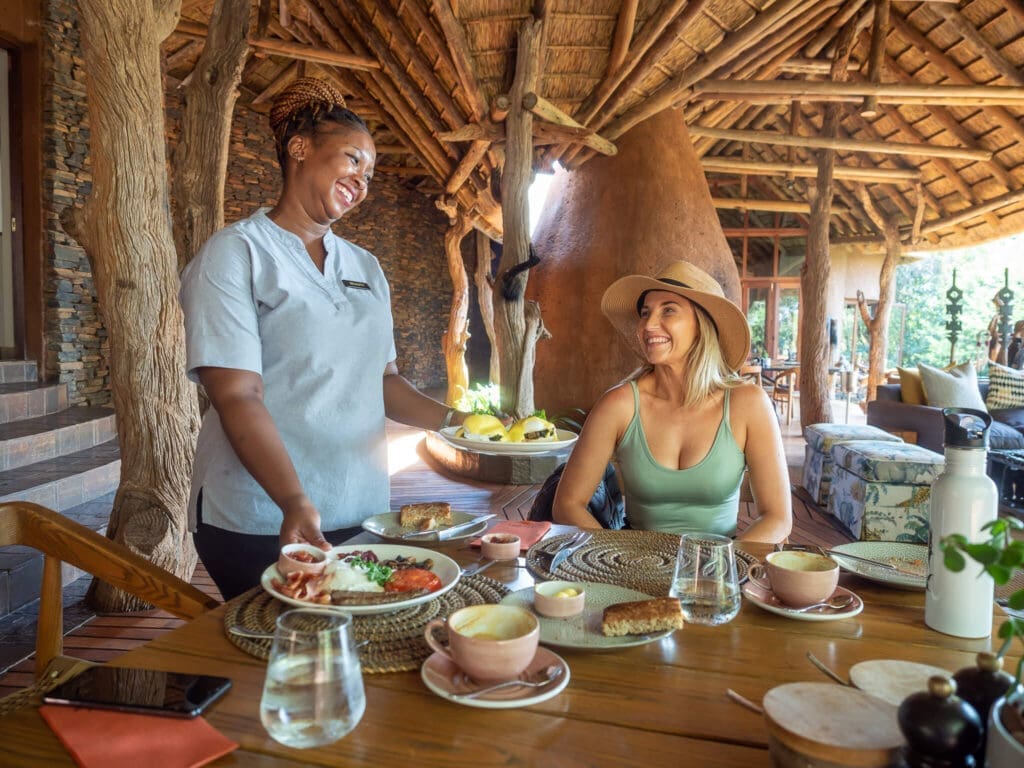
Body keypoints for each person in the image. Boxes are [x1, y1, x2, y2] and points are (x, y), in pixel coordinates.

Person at [179, 78, 468, 599]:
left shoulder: (365, 266)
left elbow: (384, 381)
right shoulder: (237, 253)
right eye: (353, 159)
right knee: (279, 642)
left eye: (371, 174)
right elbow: (237, 395)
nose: (362, 181)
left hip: (362, 510)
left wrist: (460, 425)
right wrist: (293, 500)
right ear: (299, 149)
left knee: (349, 642)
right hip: (264, 518)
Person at [552, 261, 792, 543]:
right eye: (645, 313)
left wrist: (725, 563)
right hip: (634, 561)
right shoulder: (619, 405)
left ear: (701, 325)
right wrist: (615, 557)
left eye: (668, 310)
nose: (648, 325)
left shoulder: (748, 404)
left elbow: (777, 518)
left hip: (718, 563)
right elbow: (568, 504)